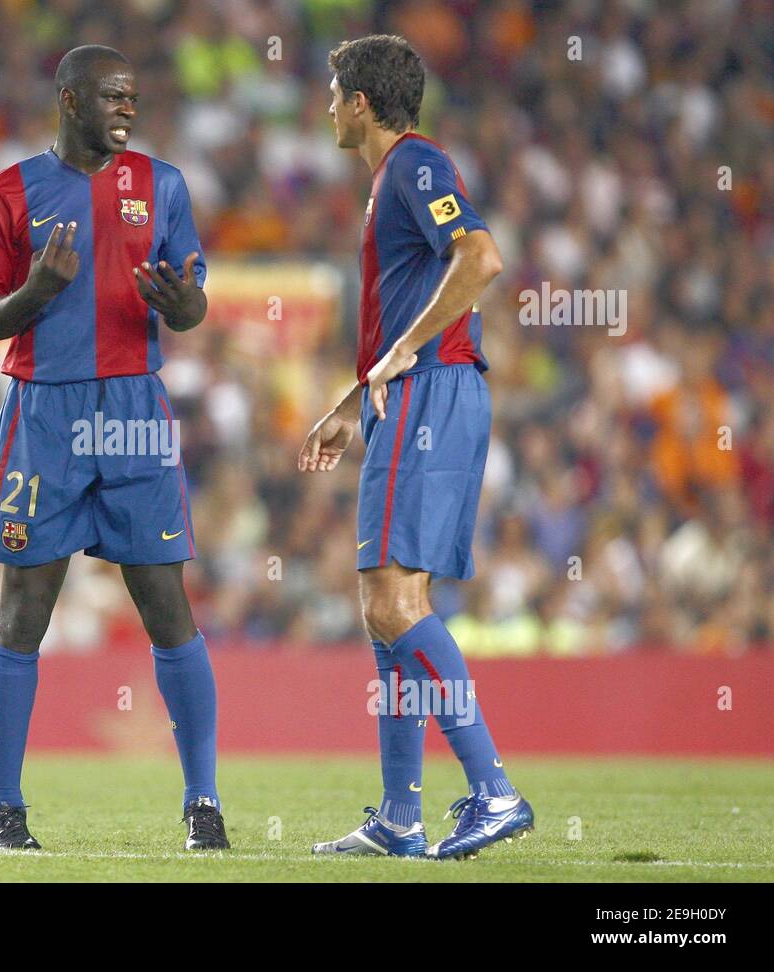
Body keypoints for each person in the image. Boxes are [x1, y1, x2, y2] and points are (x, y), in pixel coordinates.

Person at [0, 45, 227, 851]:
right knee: (24, 612)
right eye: (113, 96)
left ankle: (203, 806)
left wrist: (185, 304)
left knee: (167, 607)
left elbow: (191, 308)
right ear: (70, 100)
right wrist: (37, 293)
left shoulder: (164, 185)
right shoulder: (8, 192)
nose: (128, 109)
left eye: (134, 98)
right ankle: (4, 810)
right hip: (44, 416)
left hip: (136, 410)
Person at [298, 34, 533, 860]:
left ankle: (494, 791)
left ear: (361, 103)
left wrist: (401, 356)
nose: (326, 107)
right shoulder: (391, 180)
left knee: (397, 604)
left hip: (431, 395)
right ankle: (401, 817)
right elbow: (407, 310)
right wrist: (350, 399)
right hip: (414, 393)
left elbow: (482, 256)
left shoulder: (415, 165)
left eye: (333, 93)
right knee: (385, 607)